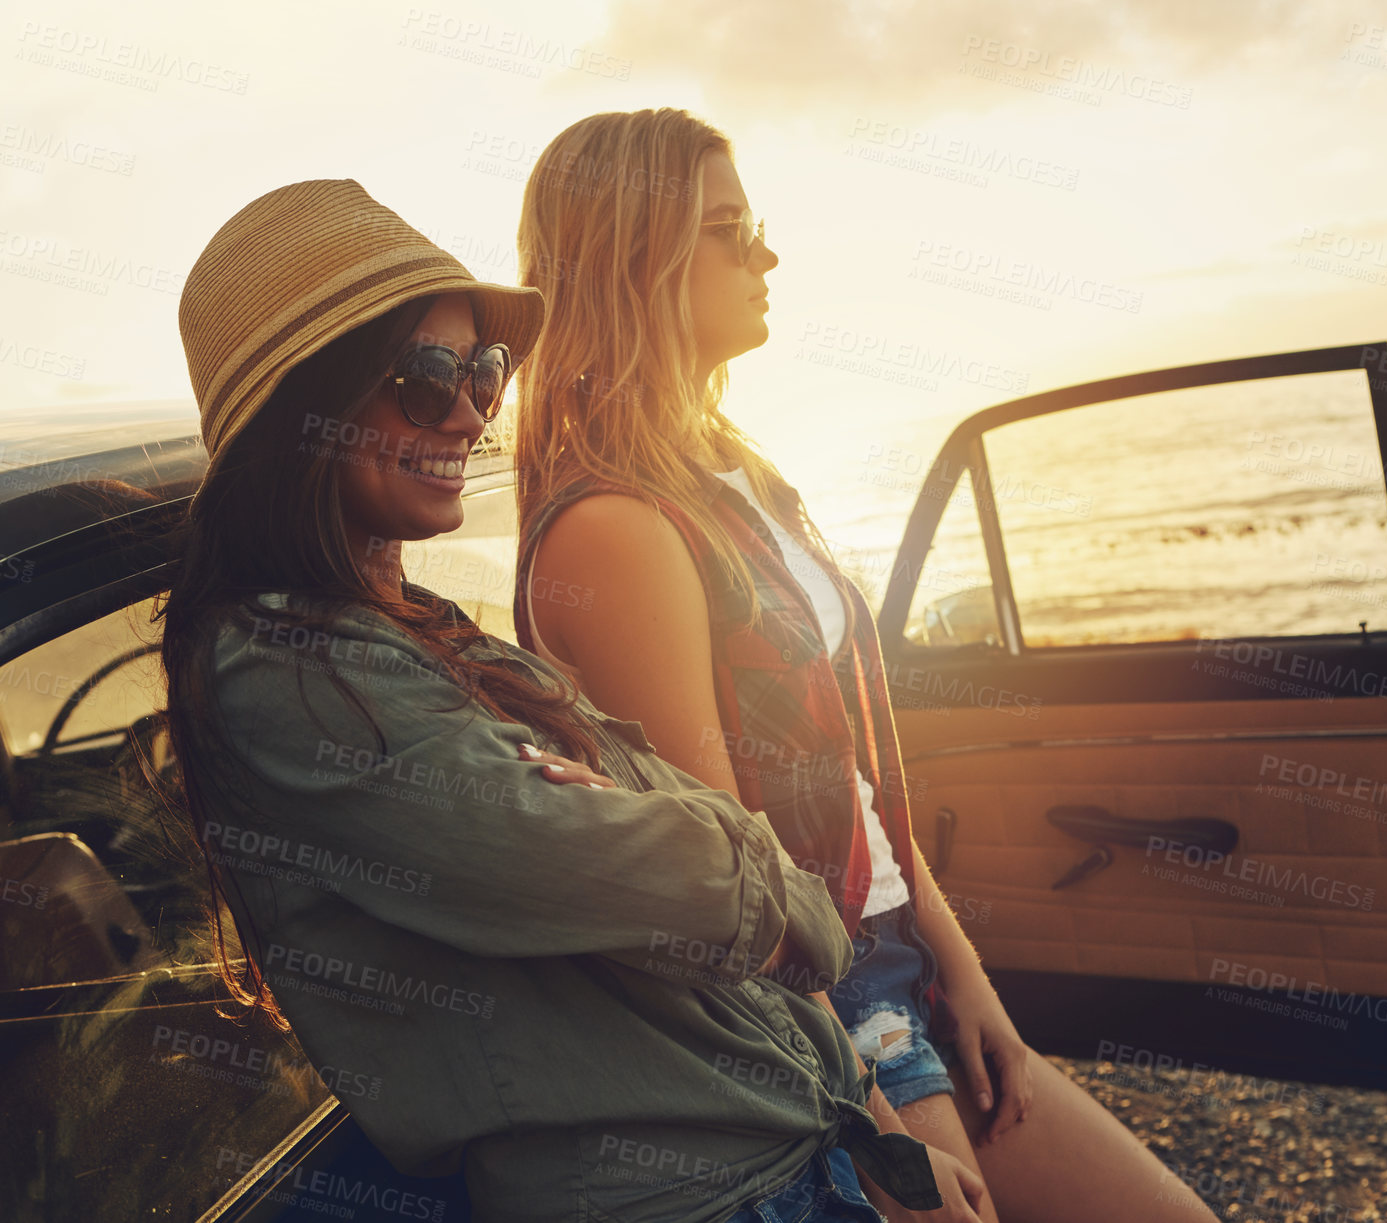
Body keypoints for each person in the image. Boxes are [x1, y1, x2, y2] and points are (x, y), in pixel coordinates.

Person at [160, 177, 950, 1223]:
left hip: (781, 1139)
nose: (473, 406)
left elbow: (649, 816)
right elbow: (650, 865)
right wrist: (785, 897)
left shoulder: (416, 624)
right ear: (298, 413)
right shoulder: (283, 672)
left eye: (482, 369)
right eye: (426, 375)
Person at [511, 110, 1214, 1223]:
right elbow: (726, 885)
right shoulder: (614, 529)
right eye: (730, 231)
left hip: (898, 961)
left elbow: (849, 777)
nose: (767, 257)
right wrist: (875, 1130)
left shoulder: (739, 470)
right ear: (634, 258)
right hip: (827, 1003)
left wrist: (961, 964)